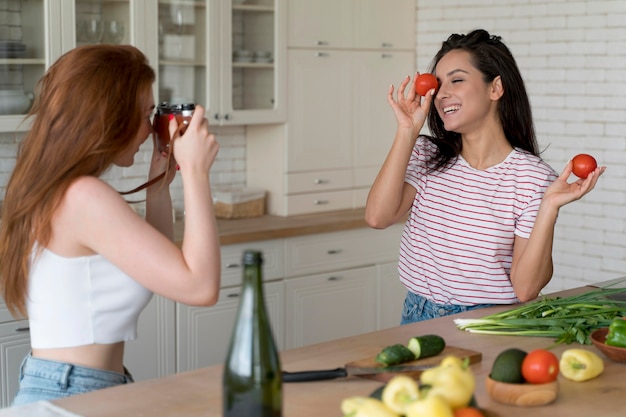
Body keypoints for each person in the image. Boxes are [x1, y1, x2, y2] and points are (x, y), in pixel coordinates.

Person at [0, 45, 221, 405]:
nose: (151, 128)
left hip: (78, 387)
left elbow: (163, 270)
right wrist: (197, 173)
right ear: (110, 116)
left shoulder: (61, 191)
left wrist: (159, 185)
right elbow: (201, 287)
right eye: (146, 113)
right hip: (75, 391)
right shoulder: (83, 196)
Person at [365, 29, 605, 325]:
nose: (440, 94)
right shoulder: (426, 154)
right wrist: (406, 130)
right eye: (438, 84)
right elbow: (378, 217)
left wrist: (549, 207)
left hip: (490, 323)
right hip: (418, 314)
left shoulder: (533, 178)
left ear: (495, 88)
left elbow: (527, 288)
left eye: (457, 79)